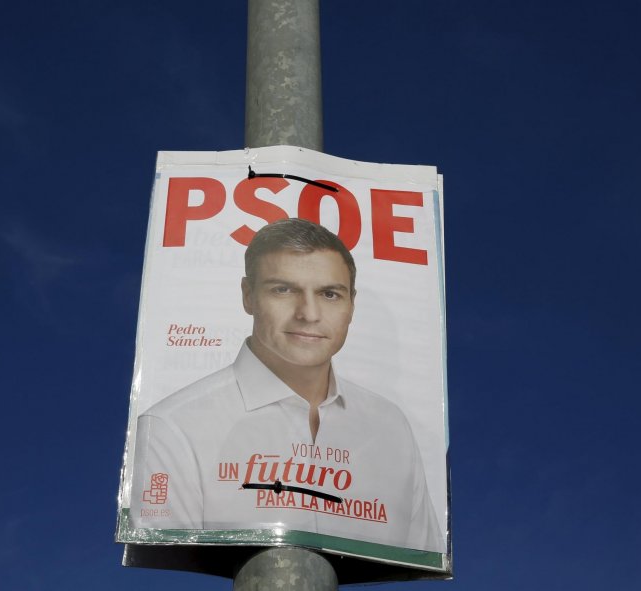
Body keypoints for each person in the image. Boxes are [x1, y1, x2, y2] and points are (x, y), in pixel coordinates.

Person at [129, 218, 444, 554]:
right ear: (248, 296)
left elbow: (421, 557)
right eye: (283, 289)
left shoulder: (390, 426)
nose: (308, 314)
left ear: (351, 304)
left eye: (329, 294)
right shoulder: (173, 427)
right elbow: (168, 570)